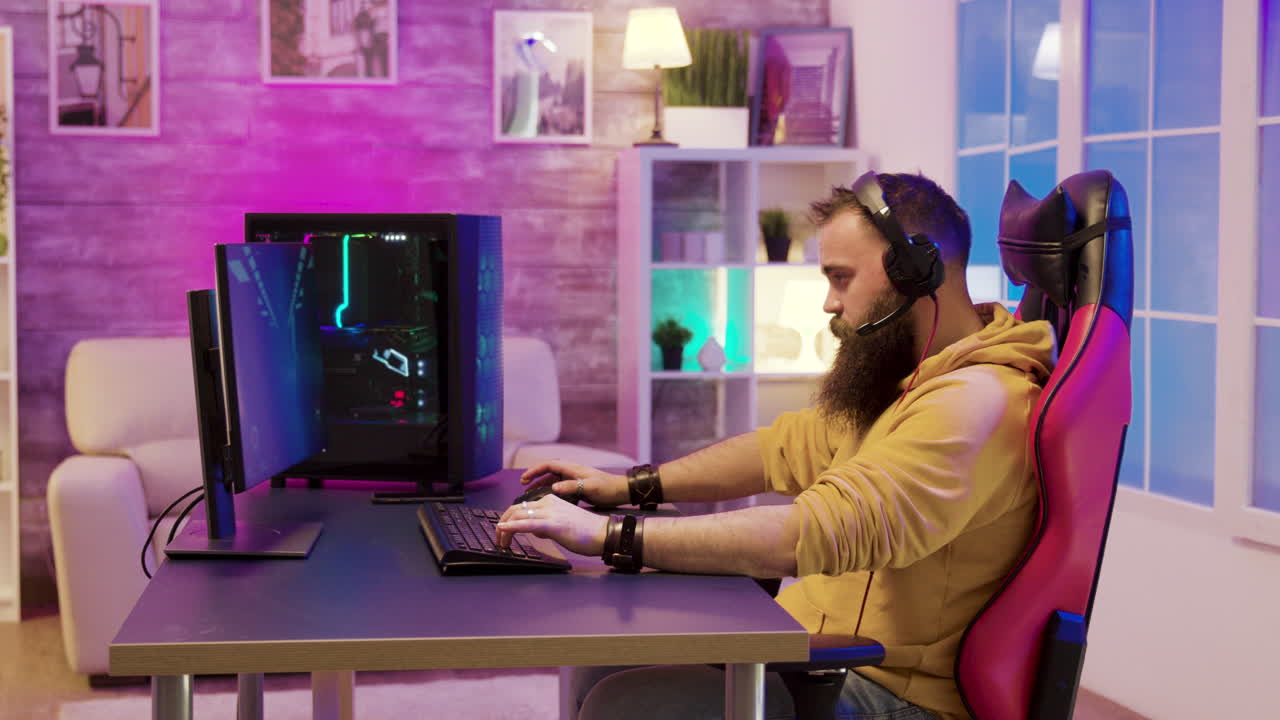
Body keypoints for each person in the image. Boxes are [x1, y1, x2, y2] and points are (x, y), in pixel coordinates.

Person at [495, 172, 1056, 720]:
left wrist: (611, 535)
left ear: (916, 272)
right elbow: (781, 448)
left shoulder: (975, 402)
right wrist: (628, 486)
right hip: (813, 652)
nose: (830, 304)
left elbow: (817, 530)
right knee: (607, 660)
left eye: (841, 278)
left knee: (630, 703)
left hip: (883, 690)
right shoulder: (916, 375)